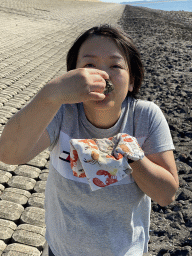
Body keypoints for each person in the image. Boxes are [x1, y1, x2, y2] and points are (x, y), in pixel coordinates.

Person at [0, 25, 179, 256]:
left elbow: (167, 194)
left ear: (132, 81)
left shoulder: (145, 117)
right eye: (89, 66)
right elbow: (9, 153)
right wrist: (50, 94)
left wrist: (130, 154)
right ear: (73, 76)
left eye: (115, 65)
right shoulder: (63, 112)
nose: (102, 75)